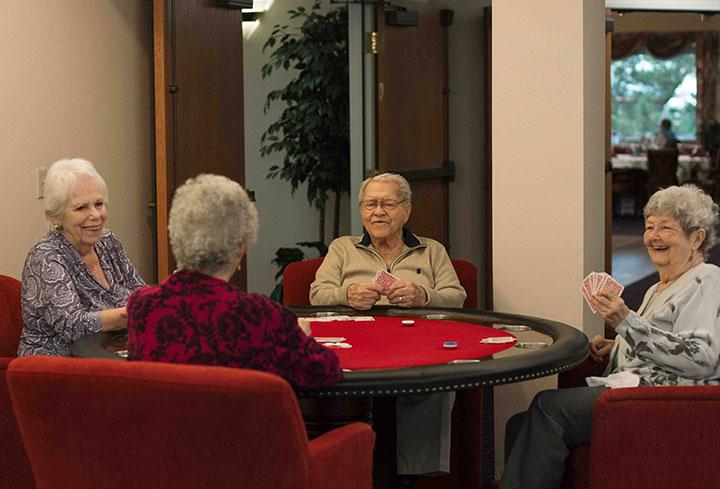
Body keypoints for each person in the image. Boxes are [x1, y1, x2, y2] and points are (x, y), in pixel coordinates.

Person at [500, 184, 720, 489]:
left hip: (663, 403)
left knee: (546, 406)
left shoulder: (706, 281)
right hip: (634, 392)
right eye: (649, 227)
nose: (653, 236)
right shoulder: (660, 287)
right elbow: (662, 339)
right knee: (519, 425)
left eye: (666, 228)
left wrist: (626, 323)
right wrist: (617, 346)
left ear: (697, 237)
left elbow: (701, 357)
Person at [310, 172, 466, 485]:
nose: (378, 212)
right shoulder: (342, 248)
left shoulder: (431, 250)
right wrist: (347, 293)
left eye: (387, 204)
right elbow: (316, 294)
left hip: (417, 344)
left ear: (406, 210)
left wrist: (423, 295)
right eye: (370, 205)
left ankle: (411, 473)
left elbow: (457, 297)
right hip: (356, 342)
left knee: (438, 377)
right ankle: (350, 469)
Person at [126, 174, 341, 390]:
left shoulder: (141, 306)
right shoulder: (259, 315)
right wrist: (299, 338)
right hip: (237, 425)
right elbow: (327, 370)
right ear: (241, 248)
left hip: (163, 423)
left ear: (176, 240)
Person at [18, 158, 145, 356]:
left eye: (99, 204)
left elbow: (140, 292)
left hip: (108, 354)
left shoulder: (108, 241)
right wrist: (130, 313)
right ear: (55, 217)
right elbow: (73, 324)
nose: (95, 215)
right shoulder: (45, 258)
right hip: (56, 366)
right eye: (81, 208)